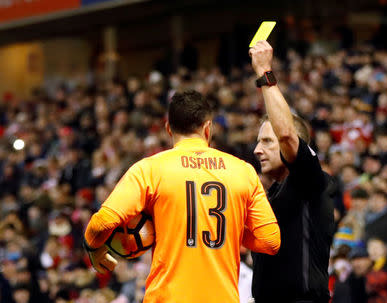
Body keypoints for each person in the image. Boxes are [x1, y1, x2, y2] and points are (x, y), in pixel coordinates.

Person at [83, 90, 281, 303]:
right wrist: (223, 226)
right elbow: (270, 241)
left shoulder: (149, 169)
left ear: (169, 129)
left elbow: (103, 222)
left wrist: (93, 248)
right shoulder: (244, 171)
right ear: (208, 128)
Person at [248, 41, 334, 303]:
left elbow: (285, 133)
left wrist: (265, 73)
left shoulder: (308, 180)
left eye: (266, 142)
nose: (256, 150)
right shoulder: (270, 195)